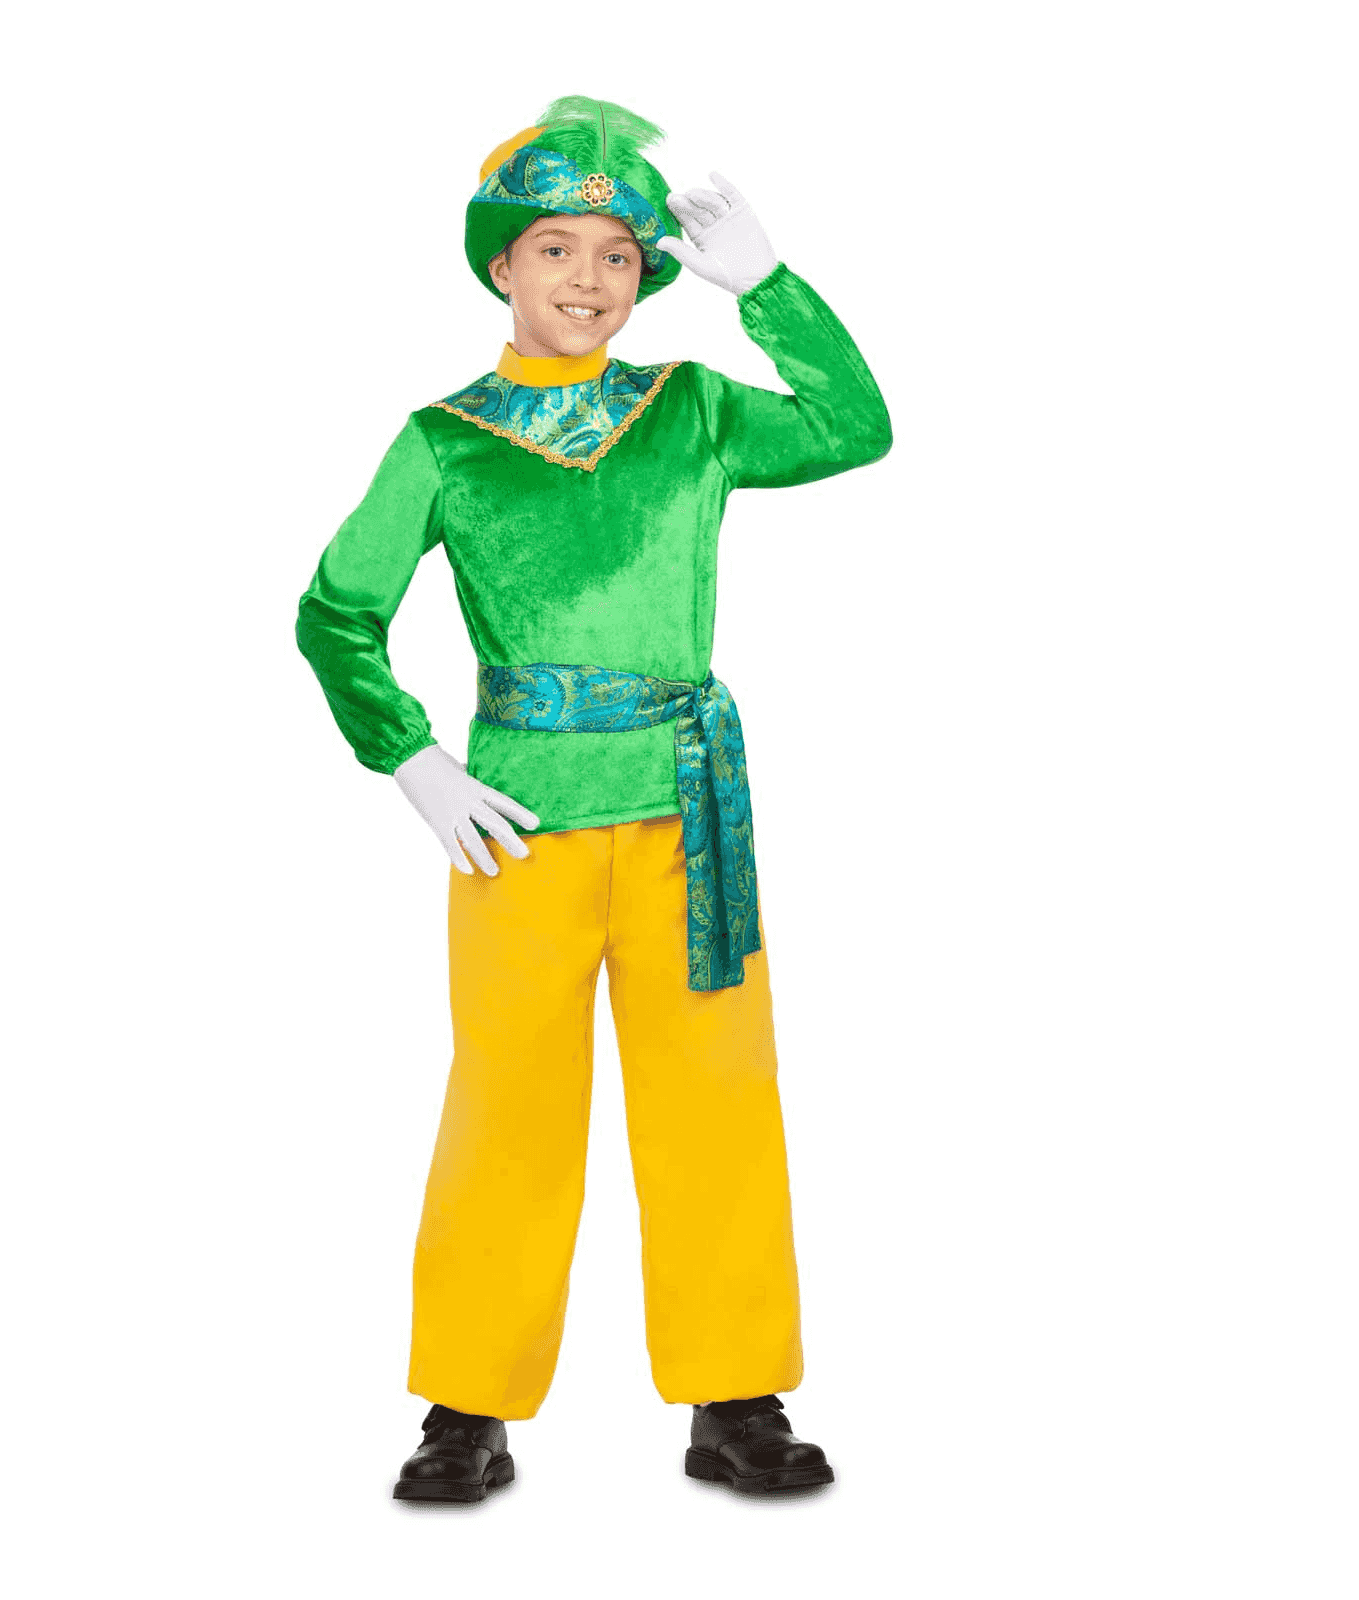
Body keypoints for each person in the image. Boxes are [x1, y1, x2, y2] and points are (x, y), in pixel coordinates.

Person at [294, 94, 892, 1501]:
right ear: (500, 264)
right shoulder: (446, 441)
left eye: (619, 254)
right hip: (518, 828)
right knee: (507, 1110)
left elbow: (855, 427)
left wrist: (770, 287)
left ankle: (736, 1395)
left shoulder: (691, 410)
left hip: (686, 814)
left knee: (717, 1100)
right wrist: (411, 757)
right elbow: (336, 612)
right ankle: (466, 1405)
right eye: (556, 249)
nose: (588, 278)